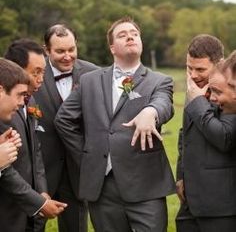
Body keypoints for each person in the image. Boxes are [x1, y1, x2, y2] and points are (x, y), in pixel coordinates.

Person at [55, 17, 175, 232]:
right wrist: (87, 154)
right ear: (112, 48)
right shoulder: (89, 81)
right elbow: (63, 120)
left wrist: (151, 111)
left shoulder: (160, 81)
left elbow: (164, 103)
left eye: (134, 33)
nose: (130, 36)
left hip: (145, 184)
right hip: (102, 186)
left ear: (140, 42)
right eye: (122, 34)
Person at [33, 24, 98, 232]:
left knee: (76, 226)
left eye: (71, 49)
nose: (68, 56)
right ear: (47, 50)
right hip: (41, 170)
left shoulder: (94, 74)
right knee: (32, 224)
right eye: (60, 51)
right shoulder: (31, 73)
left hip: (77, 168)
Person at [0, 39, 67, 232]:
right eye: (35, 72)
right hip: (8, 209)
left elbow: (35, 151)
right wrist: (38, 203)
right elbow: (6, 169)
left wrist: (42, 192)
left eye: (43, 72)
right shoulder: (6, 108)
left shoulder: (29, 101)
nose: (40, 78)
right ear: (17, 69)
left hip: (30, 210)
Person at [176, 34, 236, 232]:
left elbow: (225, 138)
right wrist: (181, 176)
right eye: (189, 68)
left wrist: (198, 103)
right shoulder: (195, 89)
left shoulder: (230, 92)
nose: (193, 75)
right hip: (189, 203)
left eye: (200, 69)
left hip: (220, 205)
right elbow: (185, 135)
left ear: (219, 64)